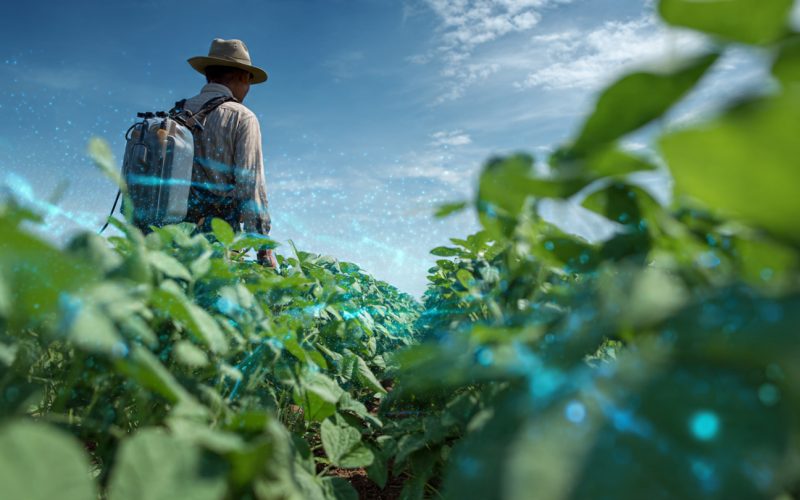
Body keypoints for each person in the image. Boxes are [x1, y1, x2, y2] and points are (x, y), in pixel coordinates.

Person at [183, 38, 277, 268]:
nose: (248, 89)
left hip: (169, 232)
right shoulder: (242, 117)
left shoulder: (178, 112)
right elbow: (250, 184)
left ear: (208, 75)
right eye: (249, 82)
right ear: (242, 76)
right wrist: (263, 246)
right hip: (215, 236)